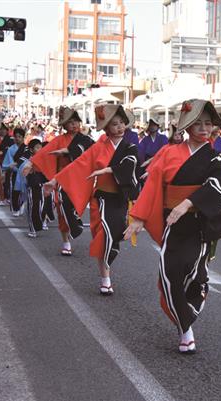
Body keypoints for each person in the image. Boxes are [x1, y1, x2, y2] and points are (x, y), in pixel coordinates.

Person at [124, 99, 221, 354]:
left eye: (208, 123)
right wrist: (138, 217)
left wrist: (189, 203)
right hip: (173, 223)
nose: (205, 128)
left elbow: (219, 185)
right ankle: (186, 327)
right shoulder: (169, 153)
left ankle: (187, 323)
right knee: (169, 276)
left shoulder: (215, 156)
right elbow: (153, 186)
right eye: (198, 123)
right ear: (188, 127)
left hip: (200, 224)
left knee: (195, 276)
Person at [46, 105, 139, 295]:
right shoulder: (98, 147)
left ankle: (106, 271)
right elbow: (78, 165)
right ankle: (105, 278)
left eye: (122, 123)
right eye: (114, 124)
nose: (120, 127)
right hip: (102, 199)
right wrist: (56, 179)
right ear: (106, 128)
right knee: (104, 235)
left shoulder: (130, 147)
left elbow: (131, 164)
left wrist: (110, 170)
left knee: (114, 237)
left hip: (120, 199)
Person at [22, 106, 94, 255]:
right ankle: (66, 241)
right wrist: (30, 163)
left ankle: (75, 223)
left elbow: (93, 152)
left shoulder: (86, 140)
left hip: (80, 179)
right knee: (61, 207)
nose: (74, 125)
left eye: (76, 122)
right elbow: (43, 153)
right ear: (64, 125)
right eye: (70, 122)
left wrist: (68, 151)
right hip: (62, 178)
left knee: (76, 206)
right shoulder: (59, 139)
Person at [2, 127, 26, 216]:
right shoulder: (11, 149)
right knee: (15, 191)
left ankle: (22, 205)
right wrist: (11, 168)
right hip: (15, 173)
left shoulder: (26, 149)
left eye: (20, 137)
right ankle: (15, 208)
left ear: (23, 137)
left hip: (24, 173)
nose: (17, 139)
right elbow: (8, 161)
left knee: (24, 191)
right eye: (16, 137)